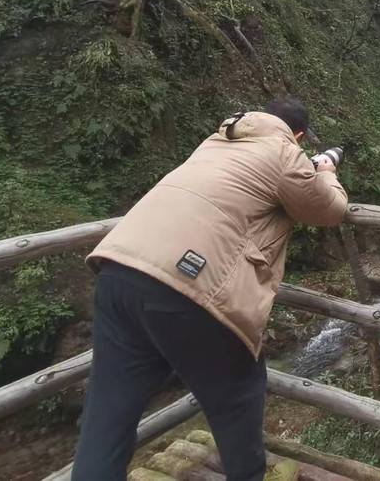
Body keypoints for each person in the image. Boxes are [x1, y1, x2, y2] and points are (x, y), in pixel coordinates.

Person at [72, 97, 348, 481]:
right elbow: (327, 209)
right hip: (189, 283)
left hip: (118, 269)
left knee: (108, 414)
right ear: (298, 135)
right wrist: (327, 170)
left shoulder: (215, 140)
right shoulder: (285, 150)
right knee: (238, 395)